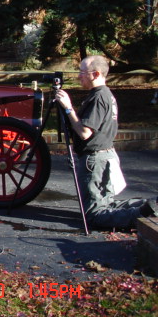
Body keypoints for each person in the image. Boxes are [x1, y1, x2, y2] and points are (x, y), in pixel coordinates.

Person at [55, 55, 156, 229]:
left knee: (95, 216)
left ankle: (141, 214)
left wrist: (68, 107)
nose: (78, 76)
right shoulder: (104, 95)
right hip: (104, 156)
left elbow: (85, 132)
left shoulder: (99, 97)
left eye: (82, 72)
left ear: (95, 74)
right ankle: (148, 205)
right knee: (105, 204)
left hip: (95, 160)